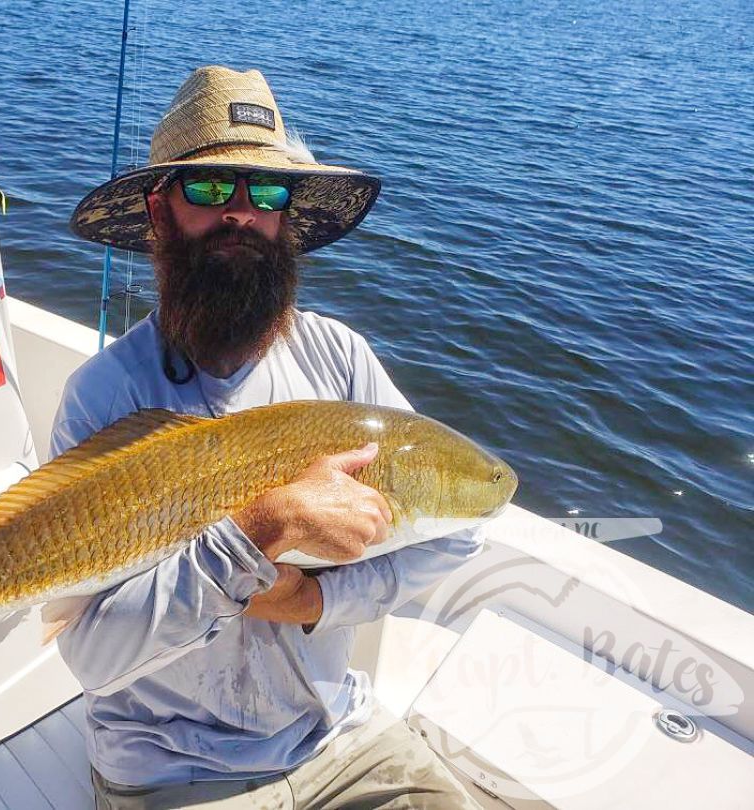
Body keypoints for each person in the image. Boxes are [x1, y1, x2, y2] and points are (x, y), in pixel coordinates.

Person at [55, 65, 483, 809]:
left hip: (337, 737)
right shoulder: (106, 398)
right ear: (161, 213)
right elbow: (92, 656)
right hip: (170, 768)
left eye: (268, 192)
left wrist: (313, 602)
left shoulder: (339, 360)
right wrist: (260, 531)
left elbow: (457, 532)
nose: (242, 214)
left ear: (288, 219)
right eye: (212, 189)